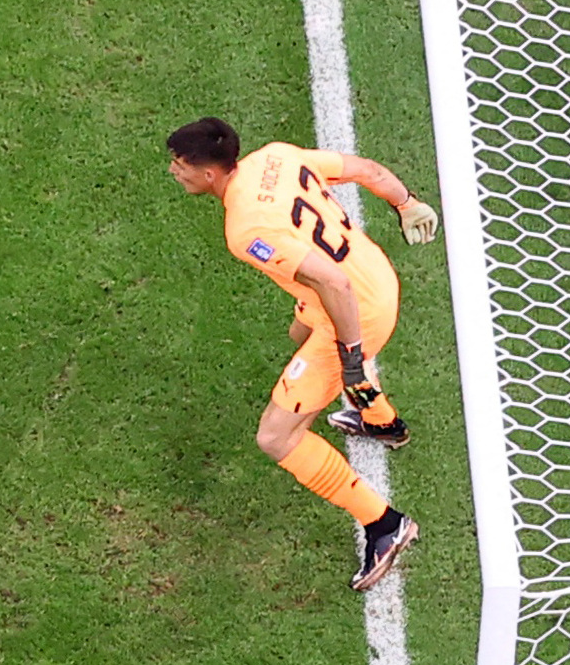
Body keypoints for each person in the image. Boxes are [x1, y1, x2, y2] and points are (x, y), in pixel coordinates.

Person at [165, 115, 435, 590]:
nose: (174, 172)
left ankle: (385, 525)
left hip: (355, 309)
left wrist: (351, 360)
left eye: (179, 165)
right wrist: (406, 203)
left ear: (209, 174)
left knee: (276, 436)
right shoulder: (276, 156)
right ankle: (382, 422)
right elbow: (367, 170)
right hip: (377, 275)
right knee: (299, 333)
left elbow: (333, 282)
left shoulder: (246, 229)